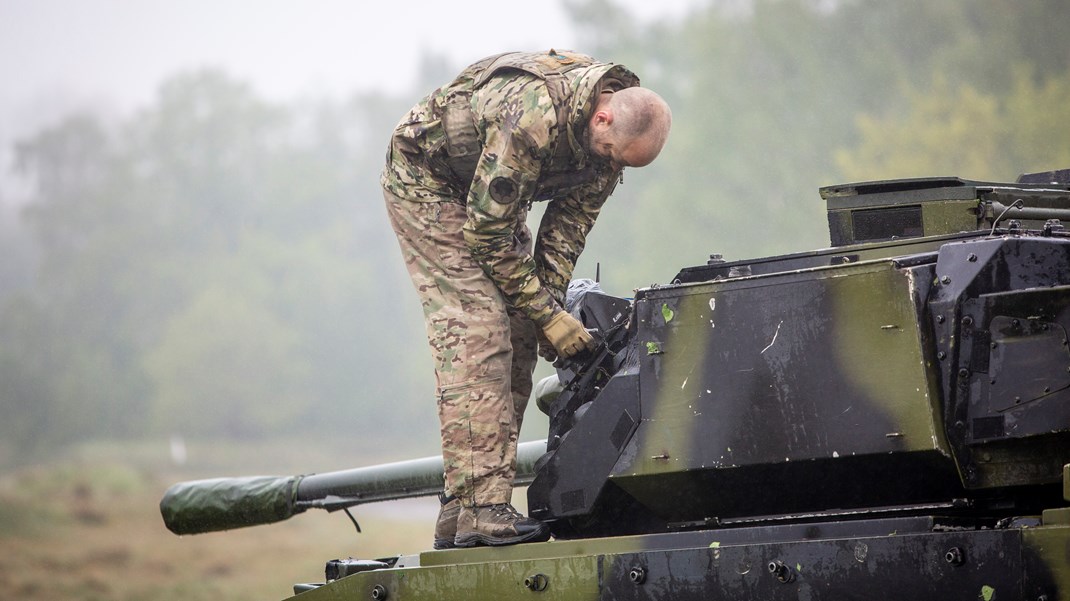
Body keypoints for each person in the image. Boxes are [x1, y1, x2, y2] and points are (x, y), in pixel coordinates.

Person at [381, 49, 671, 549]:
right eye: (609, 154)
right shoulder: (533, 115)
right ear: (602, 117)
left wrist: (547, 315)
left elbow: (564, 235)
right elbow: (487, 234)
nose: (610, 167)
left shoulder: (609, 141)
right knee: (480, 327)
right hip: (428, 182)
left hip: (488, 197)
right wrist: (548, 316)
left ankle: (461, 509)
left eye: (620, 164)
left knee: (517, 330)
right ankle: (482, 508)